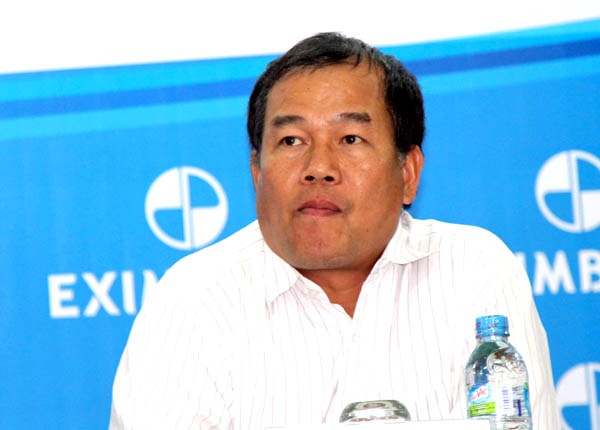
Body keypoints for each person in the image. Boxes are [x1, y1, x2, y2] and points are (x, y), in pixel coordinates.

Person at [110, 32, 560, 429]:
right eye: (291, 141)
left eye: (350, 139)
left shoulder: (473, 270)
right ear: (256, 172)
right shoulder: (194, 300)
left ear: (407, 172)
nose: (319, 167)